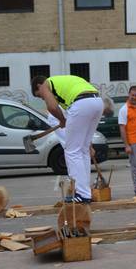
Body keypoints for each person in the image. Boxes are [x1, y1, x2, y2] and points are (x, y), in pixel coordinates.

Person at [31, 75, 104, 203]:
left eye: (39, 96)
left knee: (72, 151)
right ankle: (86, 191)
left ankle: (82, 194)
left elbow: (52, 107)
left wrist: (62, 120)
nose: (42, 98)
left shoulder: (45, 85)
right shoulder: (65, 81)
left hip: (81, 103)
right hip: (97, 102)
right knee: (83, 150)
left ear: (38, 86)